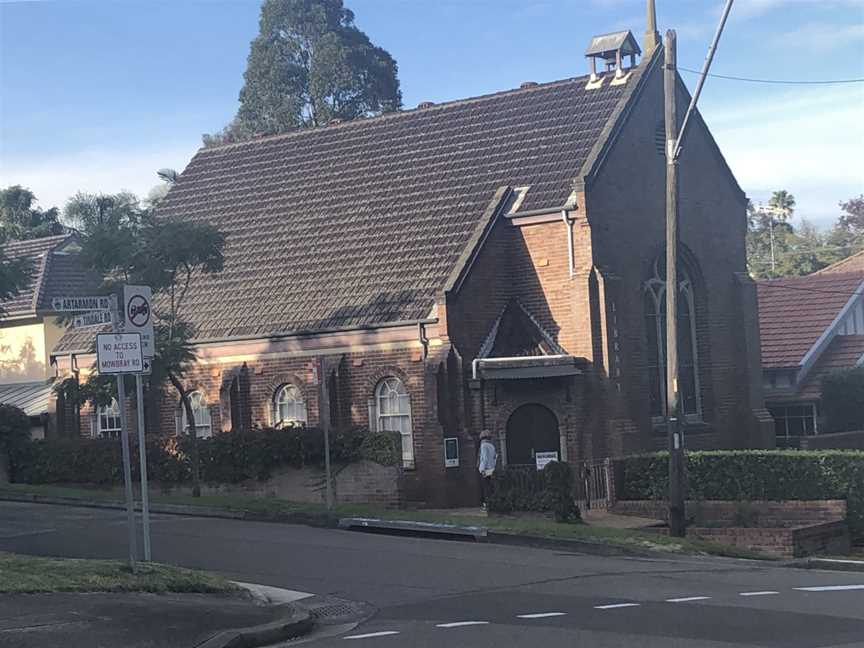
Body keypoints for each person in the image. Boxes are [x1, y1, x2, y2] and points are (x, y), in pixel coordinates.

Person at [478, 429, 497, 511]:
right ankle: (491, 503)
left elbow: (484, 458)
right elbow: (494, 458)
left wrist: (482, 469)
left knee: (485, 487)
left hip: (485, 470)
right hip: (491, 469)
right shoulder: (492, 446)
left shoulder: (484, 446)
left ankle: (486, 505)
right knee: (489, 487)